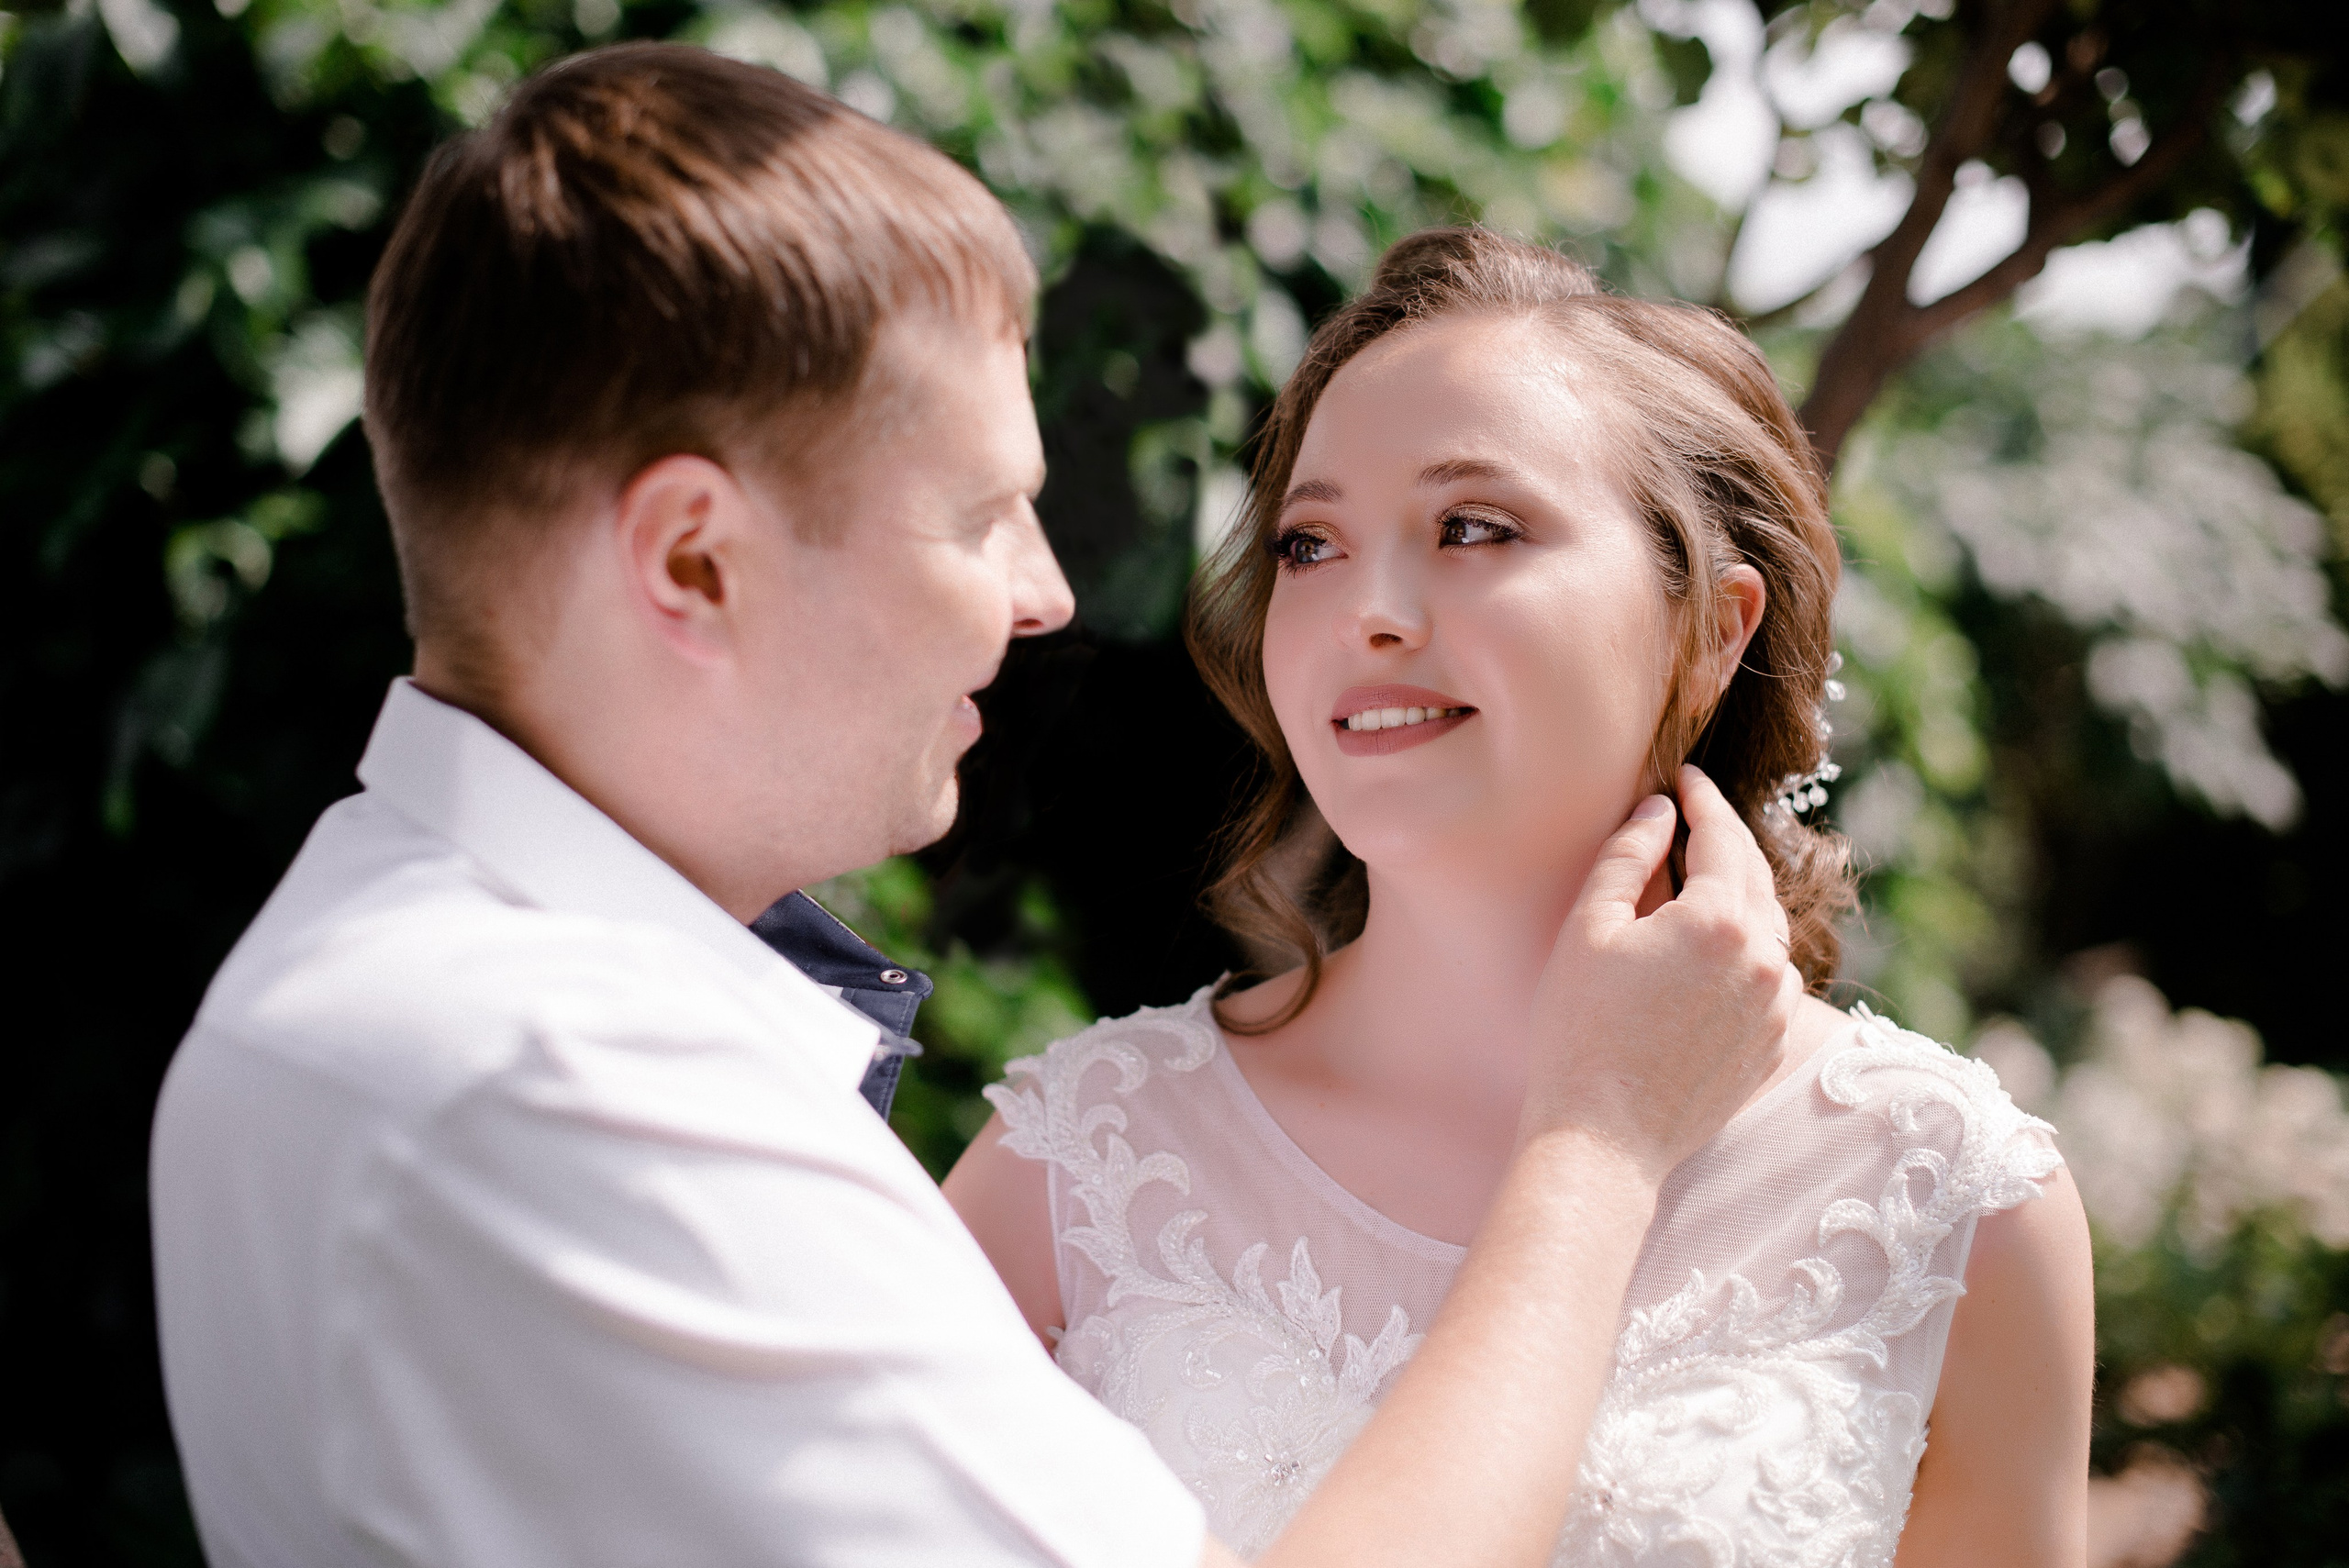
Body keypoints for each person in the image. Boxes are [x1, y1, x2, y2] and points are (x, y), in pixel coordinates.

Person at [148, 47, 1803, 1568]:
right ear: (693, 560)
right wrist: (1594, 1149)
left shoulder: (366, 980)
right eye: (982, 513)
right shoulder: (575, 1086)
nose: (1046, 592)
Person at [945, 229, 2098, 1567]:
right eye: (1309, 544)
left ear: (1713, 628)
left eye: (1472, 526)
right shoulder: (1076, 1172)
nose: (1366, 609)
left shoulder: (1953, 1198)